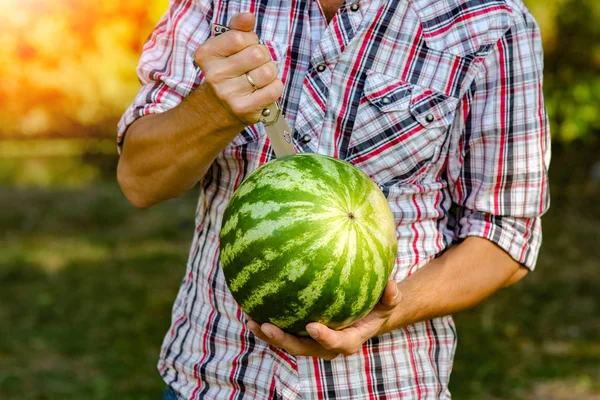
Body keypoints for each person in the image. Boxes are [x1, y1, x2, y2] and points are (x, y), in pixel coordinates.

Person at [117, 0, 550, 398]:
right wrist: (216, 109)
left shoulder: (491, 21)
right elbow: (140, 181)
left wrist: (382, 315)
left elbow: (505, 237)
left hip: (384, 386)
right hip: (212, 381)